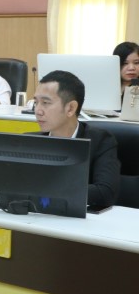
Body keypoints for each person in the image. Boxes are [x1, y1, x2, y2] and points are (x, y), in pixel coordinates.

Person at [31, 70, 120, 208]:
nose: (38, 111)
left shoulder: (101, 141)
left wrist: (47, 188)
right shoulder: (30, 142)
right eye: (36, 102)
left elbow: (105, 193)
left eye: (46, 103)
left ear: (71, 108)